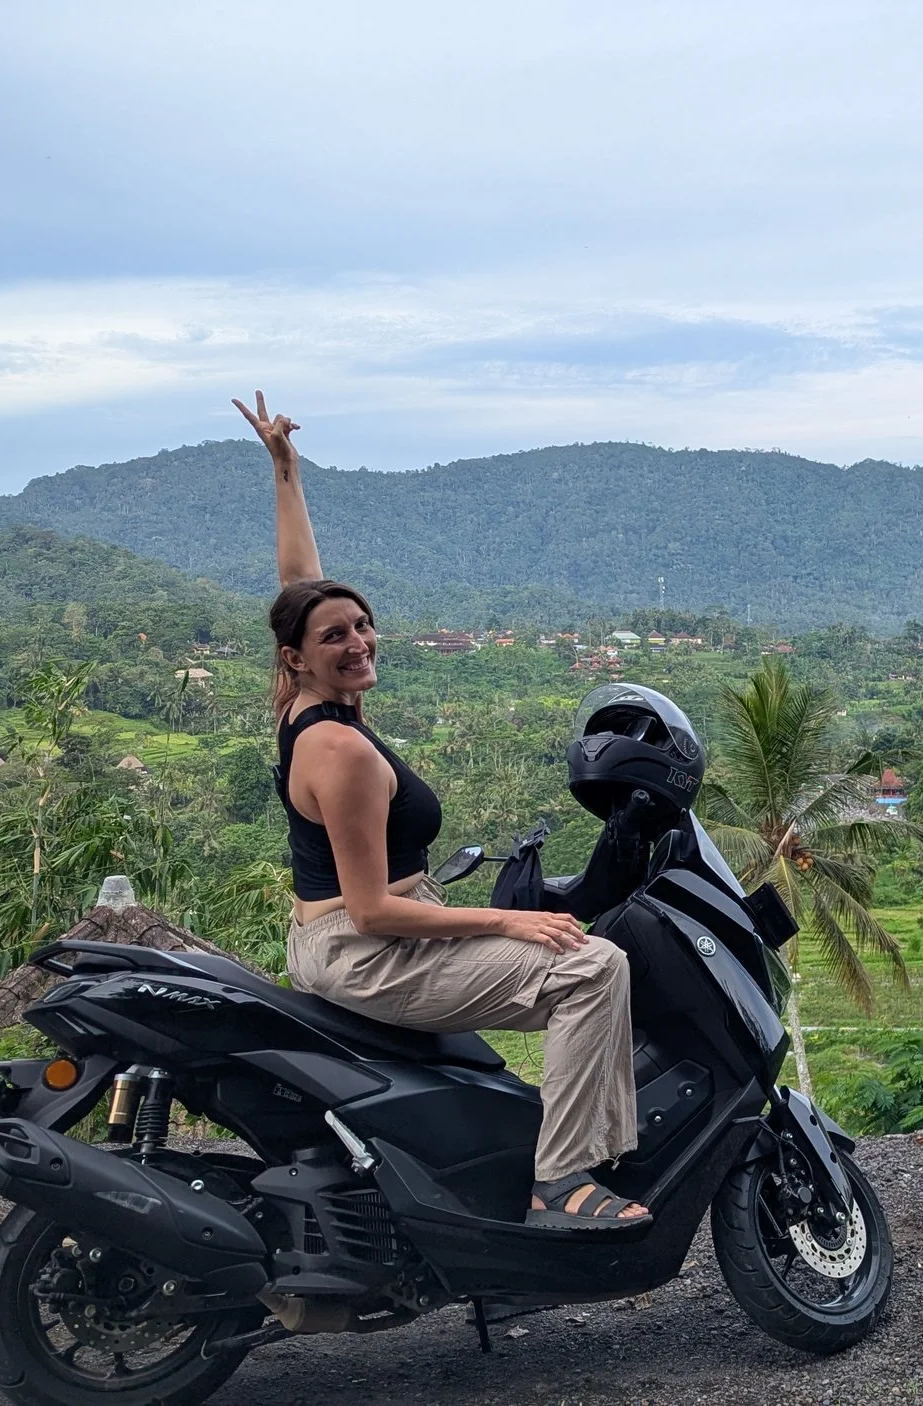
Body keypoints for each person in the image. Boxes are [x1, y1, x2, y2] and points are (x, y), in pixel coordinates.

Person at [235, 391, 646, 1227]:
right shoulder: (341, 752)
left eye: (363, 626)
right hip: (365, 948)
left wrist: (284, 473)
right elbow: (373, 908)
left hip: (356, 936)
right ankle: (560, 1183)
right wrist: (504, 922)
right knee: (591, 967)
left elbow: (299, 584)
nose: (358, 643)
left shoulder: (304, 705)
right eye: (335, 638)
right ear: (296, 658)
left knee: (572, 953)